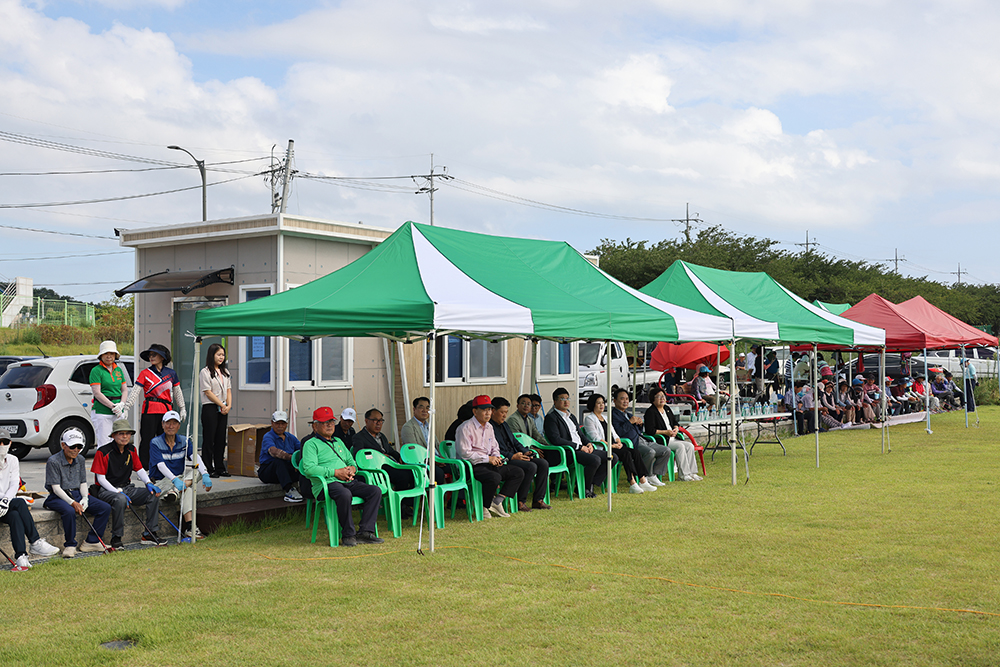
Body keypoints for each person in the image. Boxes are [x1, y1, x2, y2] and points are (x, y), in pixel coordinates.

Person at [300, 407, 383, 546]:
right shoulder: (311, 444)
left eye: (331, 422)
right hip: (326, 484)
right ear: (315, 425)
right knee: (344, 494)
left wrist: (352, 469)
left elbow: (352, 461)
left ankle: (365, 532)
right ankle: (348, 535)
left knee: (375, 491)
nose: (329, 425)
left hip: (346, 481)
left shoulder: (338, 441)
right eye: (324, 422)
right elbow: (309, 469)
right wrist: (336, 472)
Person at [90, 419, 164, 550]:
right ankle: (116, 537)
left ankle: (149, 533)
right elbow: (100, 479)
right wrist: (117, 492)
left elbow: (139, 469)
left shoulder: (132, 449)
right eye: (121, 433)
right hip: (107, 490)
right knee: (120, 499)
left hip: (127, 488)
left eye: (128, 433)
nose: (125, 436)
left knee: (153, 494)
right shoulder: (103, 452)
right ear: (113, 435)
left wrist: (148, 483)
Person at [42, 428, 112, 557]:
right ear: (63, 445)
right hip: (58, 496)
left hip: (77, 494)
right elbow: (56, 488)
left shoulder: (80, 459)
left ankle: (92, 541)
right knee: (68, 511)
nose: (75, 450)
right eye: (72, 446)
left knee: (104, 508)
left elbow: (82, 483)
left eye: (79, 446)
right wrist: (72, 503)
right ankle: (70, 545)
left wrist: (85, 498)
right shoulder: (53, 461)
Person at [456, 395, 524, 517]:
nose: (488, 413)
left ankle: (497, 501)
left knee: (518, 472)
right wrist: (488, 459)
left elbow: (494, 446)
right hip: (472, 465)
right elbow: (465, 453)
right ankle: (483, 506)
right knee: (494, 477)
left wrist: (497, 457)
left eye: (489, 409)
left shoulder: (489, 426)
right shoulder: (465, 428)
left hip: (489, 462)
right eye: (484, 410)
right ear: (474, 411)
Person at [149, 412, 212, 540]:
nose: (171, 426)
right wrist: (175, 480)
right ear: (162, 425)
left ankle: (189, 526)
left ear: (179, 426)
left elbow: (196, 458)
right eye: (168, 423)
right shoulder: (155, 442)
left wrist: (205, 474)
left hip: (178, 483)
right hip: (161, 483)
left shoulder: (184, 441)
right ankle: (190, 527)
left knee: (198, 471)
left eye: (174, 423)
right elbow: (161, 466)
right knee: (187, 489)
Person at [1, 435, 61, 569]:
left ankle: (21, 557)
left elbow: (14, 483)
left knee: (15, 516)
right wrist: (4, 500)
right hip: (4, 503)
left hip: (5, 505)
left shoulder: (13, 460)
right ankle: (35, 541)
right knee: (21, 503)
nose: (1, 446)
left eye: (4, 442)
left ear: (10, 444)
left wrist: (5, 501)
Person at [123, 343, 185, 469]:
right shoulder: (145, 373)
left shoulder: (171, 373)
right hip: (149, 410)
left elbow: (177, 391)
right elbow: (135, 391)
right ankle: (144, 468)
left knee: (166, 440)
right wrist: (127, 407)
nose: (151, 357)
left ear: (162, 357)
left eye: (154, 355)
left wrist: (182, 407)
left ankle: (165, 467)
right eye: (150, 355)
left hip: (166, 412)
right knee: (147, 440)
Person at [352, 408, 418, 519]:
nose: (378, 423)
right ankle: (399, 506)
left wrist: (400, 457)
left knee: (413, 472)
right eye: (375, 420)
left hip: (390, 466)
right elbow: (359, 456)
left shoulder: (381, 436)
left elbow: (390, 451)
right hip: (376, 470)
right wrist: (380, 457)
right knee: (404, 476)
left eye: (381, 421)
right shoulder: (359, 437)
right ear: (366, 421)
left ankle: (406, 503)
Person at [582, 393, 653, 494]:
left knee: (635, 452)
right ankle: (632, 483)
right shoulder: (589, 419)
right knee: (626, 454)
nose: (602, 405)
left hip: (613, 445)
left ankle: (642, 480)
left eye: (603, 403)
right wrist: (611, 445)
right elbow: (595, 438)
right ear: (593, 404)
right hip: (603, 447)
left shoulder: (606, 417)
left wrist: (618, 442)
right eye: (598, 403)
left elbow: (615, 434)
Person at [490, 397, 551, 511]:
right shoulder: (490, 427)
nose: (504, 415)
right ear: (493, 411)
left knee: (543, 463)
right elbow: (494, 450)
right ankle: (521, 502)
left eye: (506, 412)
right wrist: (512, 456)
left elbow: (515, 442)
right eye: (502, 412)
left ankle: (538, 500)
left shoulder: (504, 425)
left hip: (517, 455)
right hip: (506, 459)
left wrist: (525, 451)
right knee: (530, 466)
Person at [544, 388, 606, 498]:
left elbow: (581, 435)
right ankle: (585, 489)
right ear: (555, 401)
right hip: (568, 452)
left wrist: (589, 444)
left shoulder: (571, 416)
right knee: (595, 460)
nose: (566, 401)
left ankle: (589, 483)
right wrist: (579, 447)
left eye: (568, 399)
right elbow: (556, 439)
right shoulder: (551, 418)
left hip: (581, 449)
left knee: (611, 457)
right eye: (562, 399)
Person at [610, 388, 669, 485]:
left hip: (642, 439)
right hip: (631, 442)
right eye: (622, 399)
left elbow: (637, 431)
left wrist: (640, 425)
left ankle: (653, 474)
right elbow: (618, 432)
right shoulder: (613, 415)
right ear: (615, 401)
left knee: (665, 450)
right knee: (650, 452)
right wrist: (630, 422)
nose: (625, 401)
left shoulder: (628, 414)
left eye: (627, 399)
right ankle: (647, 475)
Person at [644, 387, 702, 482]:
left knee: (689, 446)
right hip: (662, 440)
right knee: (680, 447)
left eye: (663, 396)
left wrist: (675, 428)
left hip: (673, 438)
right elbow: (650, 430)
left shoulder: (666, 408)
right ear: (653, 399)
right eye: (659, 396)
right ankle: (683, 474)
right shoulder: (651, 412)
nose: (662, 398)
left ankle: (692, 472)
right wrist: (665, 432)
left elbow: (675, 422)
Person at [89, 340, 128, 456]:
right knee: (105, 443)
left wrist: (122, 404)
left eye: (112, 353)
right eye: (106, 353)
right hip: (102, 412)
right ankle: (102, 472)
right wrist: (112, 406)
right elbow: (97, 393)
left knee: (119, 443)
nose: (109, 356)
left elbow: (124, 389)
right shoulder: (96, 371)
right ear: (101, 355)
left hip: (118, 411)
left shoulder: (118, 370)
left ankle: (115, 471)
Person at [200, 343, 232, 477]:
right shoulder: (205, 372)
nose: (221, 357)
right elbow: (208, 392)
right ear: (211, 355)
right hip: (210, 407)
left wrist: (228, 406)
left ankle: (220, 467)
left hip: (223, 408)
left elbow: (229, 390)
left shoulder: (225, 372)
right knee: (209, 438)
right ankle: (208, 467)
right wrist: (222, 405)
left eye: (223, 355)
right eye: (218, 354)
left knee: (220, 438)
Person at [257, 410, 303, 503]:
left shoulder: (290, 437)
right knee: (279, 461)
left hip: (286, 469)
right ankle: (289, 490)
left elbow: (301, 450)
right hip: (268, 471)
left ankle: (308, 489)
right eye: (277, 423)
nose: (280, 426)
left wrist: (298, 463)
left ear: (286, 424)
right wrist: (291, 458)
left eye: (283, 423)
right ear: (272, 423)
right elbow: (273, 451)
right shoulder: (268, 436)